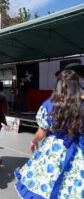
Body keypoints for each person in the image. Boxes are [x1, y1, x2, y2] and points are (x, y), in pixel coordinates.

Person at [15, 69, 84, 199]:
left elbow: (42, 131)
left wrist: (34, 141)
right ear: (77, 84)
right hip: (79, 149)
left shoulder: (49, 105)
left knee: (47, 181)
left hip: (54, 150)